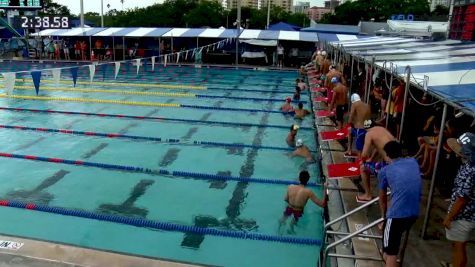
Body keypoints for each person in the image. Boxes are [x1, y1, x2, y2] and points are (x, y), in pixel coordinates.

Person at [378, 141, 422, 267]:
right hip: (414, 213)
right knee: (390, 244)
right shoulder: (413, 162)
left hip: (397, 216)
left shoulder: (384, 171)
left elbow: (382, 198)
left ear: (387, 155)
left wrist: (383, 218)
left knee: (390, 252)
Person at [443, 133, 475, 267]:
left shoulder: (471, 170)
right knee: (456, 244)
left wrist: (449, 217)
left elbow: (463, 199)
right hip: (461, 213)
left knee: (459, 246)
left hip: (463, 215)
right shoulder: (467, 165)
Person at [357, 121, 396, 202]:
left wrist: (363, 161)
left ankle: (367, 195)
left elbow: (364, 155)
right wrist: (371, 158)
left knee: (363, 168)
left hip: (391, 169)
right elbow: (379, 147)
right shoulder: (382, 129)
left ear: (366, 129)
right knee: (380, 164)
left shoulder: (369, 134)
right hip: (400, 164)